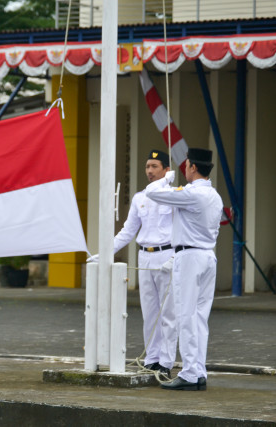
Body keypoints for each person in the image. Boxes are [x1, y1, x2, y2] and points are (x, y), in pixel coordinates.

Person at [87, 149, 175, 377]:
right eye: (147, 167)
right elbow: (127, 232)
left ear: (167, 170)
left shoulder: (175, 194)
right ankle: (152, 358)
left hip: (167, 255)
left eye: (155, 166)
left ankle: (166, 361)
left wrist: (177, 257)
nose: (149, 171)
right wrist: (105, 253)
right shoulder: (140, 198)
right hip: (145, 255)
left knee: (168, 312)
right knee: (150, 311)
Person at [145, 148, 223, 391]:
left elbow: (151, 192)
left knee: (186, 315)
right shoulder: (215, 195)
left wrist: (166, 180)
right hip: (208, 256)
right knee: (200, 318)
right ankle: (198, 371)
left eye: (186, 165)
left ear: (192, 167)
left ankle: (190, 373)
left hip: (189, 257)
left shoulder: (192, 193)